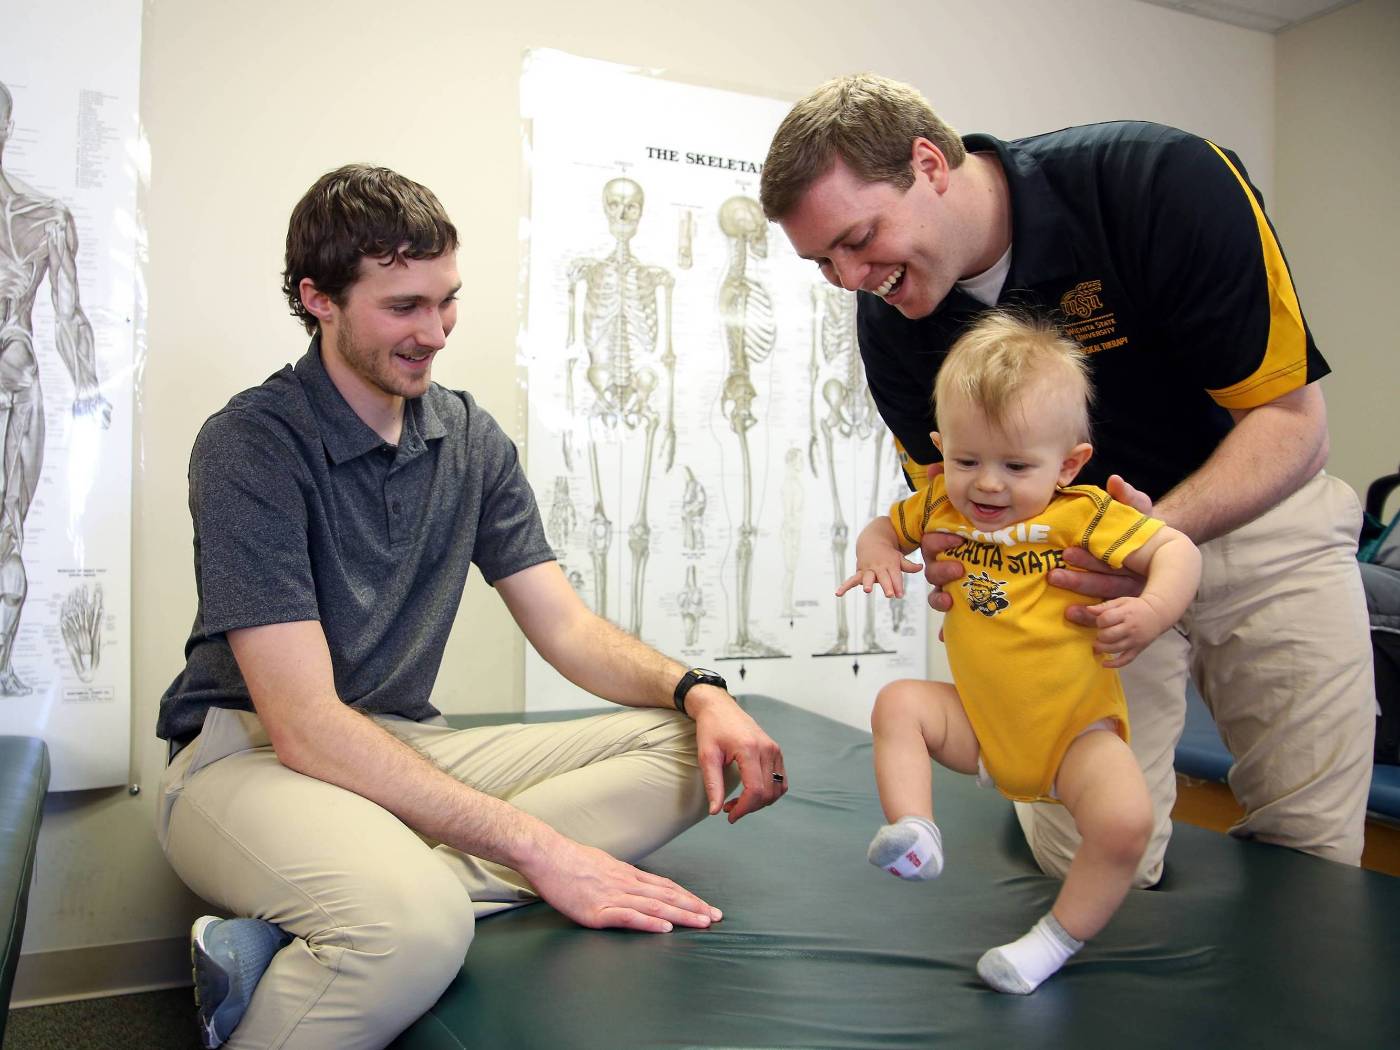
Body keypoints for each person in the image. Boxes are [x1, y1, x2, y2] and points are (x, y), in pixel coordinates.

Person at [155, 164, 787, 1050]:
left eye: (447, 301)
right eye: (404, 307)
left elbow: (565, 627)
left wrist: (702, 691)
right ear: (318, 299)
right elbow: (303, 726)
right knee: (415, 931)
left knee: (690, 751)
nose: (436, 332)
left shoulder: (467, 436)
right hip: (246, 757)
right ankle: (382, 907)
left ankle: (299, 932)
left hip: (401, 741)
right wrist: (543, 851)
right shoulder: (250, 446)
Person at [760, 73, 1375, 886]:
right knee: (1087, 852)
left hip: (1256, 513)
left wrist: (1148, 545)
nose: (848, 278)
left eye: (858, 237)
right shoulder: (894, 323)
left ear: (928, 165)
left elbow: (1295, 427)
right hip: (1065, 573)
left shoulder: (1158, 182)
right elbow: (952, 508)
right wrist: (949, 560)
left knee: (1314, 843)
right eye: (822, 262)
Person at [838, 312, 1200, 993]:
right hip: (979, 724)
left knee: (1125, 826)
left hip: (1071, 736)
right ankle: (916, 830)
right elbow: (884, 527)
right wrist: (877, 555)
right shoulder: (941, 501)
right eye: (968, 461)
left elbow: (1175, 550)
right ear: (941, 449)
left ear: (1068, 464)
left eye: (1016, 466)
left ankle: (1050, 943)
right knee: (899, 704)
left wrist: (1151, 610)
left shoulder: (1083, 512)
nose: (988, 485)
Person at [0, 80, 112, 695]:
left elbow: (70, 318)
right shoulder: (42, 218)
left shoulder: (44, 218)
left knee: (7, 528)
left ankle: (2, 669)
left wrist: (90, 391)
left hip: (14, 391)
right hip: (16, 384)